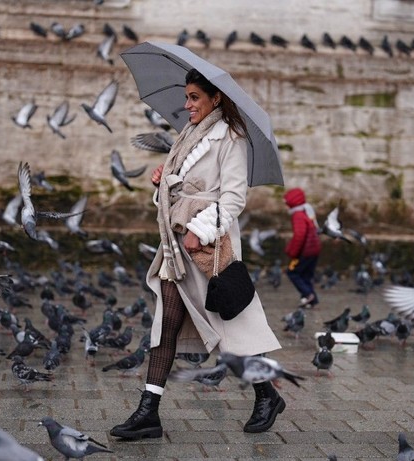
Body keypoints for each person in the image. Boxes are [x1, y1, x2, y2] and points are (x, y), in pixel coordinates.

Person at [109, 68, 283, 440]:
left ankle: (267, 393)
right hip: (176, 245)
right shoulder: (188, 134)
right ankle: (148, 412)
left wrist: (199, 231)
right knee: (166, 321)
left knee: (230, 326)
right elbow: (182, 189)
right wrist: (163, 181)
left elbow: (233, 198)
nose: (186, 104)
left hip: (207, 246)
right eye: (186, 96)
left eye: (194, 98)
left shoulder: (230, 137)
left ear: (215, 98)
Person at [283, 187, 321, 308]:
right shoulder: (307, 211)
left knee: (292, 272)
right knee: (306, 275)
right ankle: (310, 299)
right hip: (314, 249)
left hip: (305, 251)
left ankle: (309, 294)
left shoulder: (298, 215)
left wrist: (292, 251)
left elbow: (300, 235)